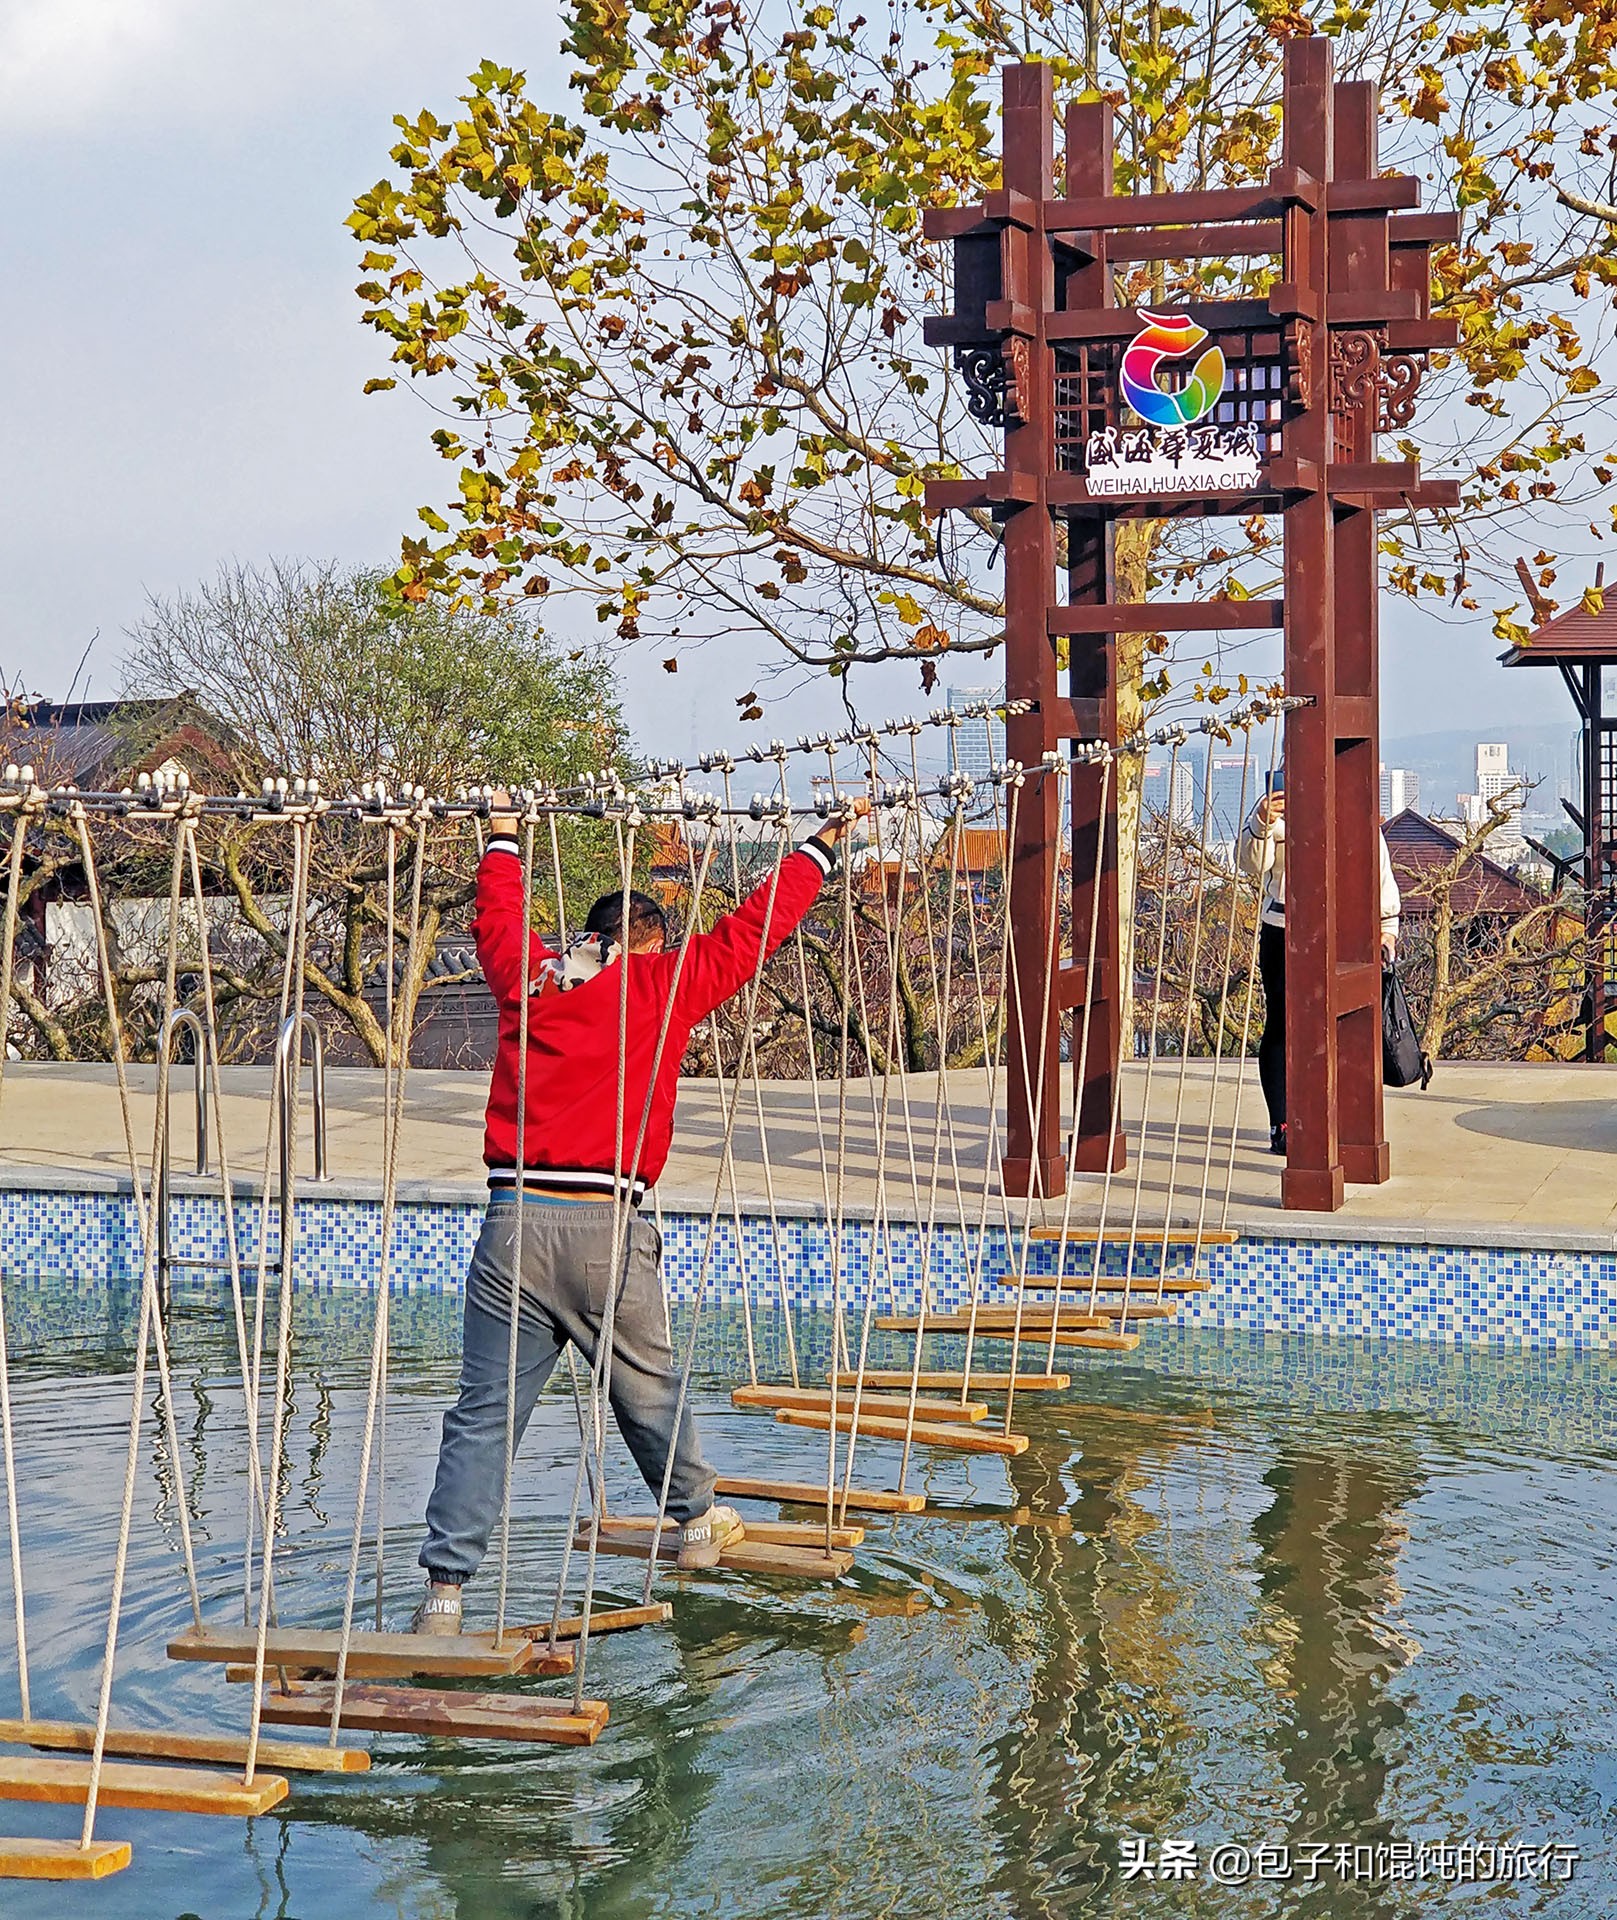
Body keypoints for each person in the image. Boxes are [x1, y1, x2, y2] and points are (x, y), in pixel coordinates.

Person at [410, 790, 866, 1634]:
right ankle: (695, 1524)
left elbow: (497, 919)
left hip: (509, 1223)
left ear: (588, 936)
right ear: (649, 941)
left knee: (482, 1413)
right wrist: (819, 849)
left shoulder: (532, 979)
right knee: (646, 1388)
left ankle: (443, 1594)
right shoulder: (664, 981)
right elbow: (752, 933)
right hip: (605, 1227)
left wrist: (503, 834)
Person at [1236, 771, 1400, 1156]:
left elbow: (1380, 871)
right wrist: (1262, 822)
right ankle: (1283, 1122)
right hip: (1284, 928)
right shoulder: (1274, 816)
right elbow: (1252, 865)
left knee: (1347, 1023)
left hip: (1347, 931)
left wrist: (1387, 927)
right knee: (1281, 1025)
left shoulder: (1356, 812)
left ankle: (1343, 1117)